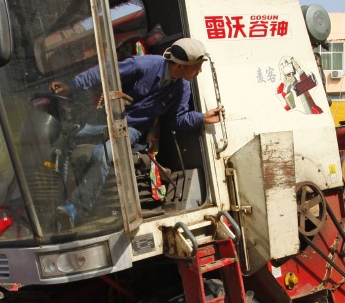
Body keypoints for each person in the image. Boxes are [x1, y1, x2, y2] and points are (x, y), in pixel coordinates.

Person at [50, 38, 223, 224]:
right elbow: (105, 73)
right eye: (197, 66)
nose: (200, 71)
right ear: (181, 66)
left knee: (104, 154)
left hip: (132, 128)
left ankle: (75, 208)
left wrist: (202, 118)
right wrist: (72, 86)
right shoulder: (144, 65)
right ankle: (53, 200)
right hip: (106, 118)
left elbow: (178, 119)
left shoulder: (182, 87)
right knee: (63, 137)